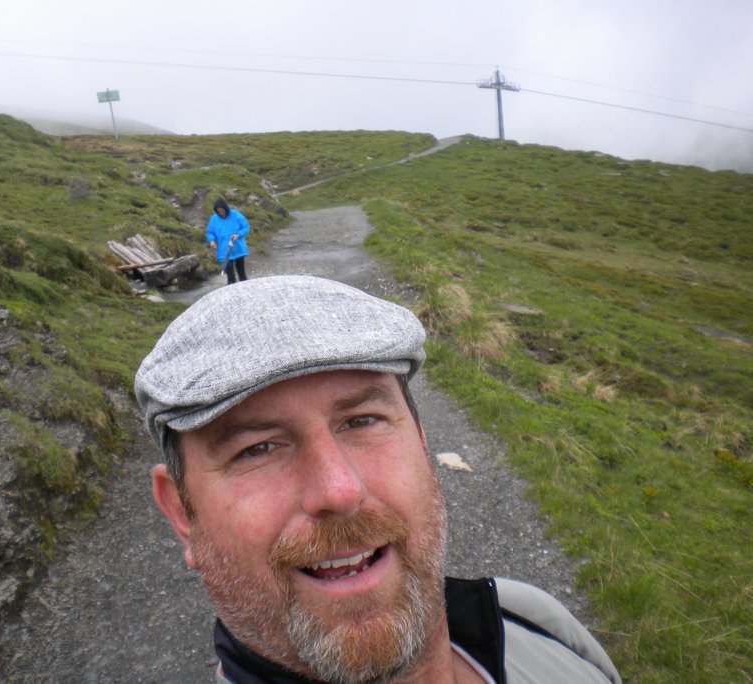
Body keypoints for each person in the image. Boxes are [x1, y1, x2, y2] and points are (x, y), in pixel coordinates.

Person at [135, 275, 622, 684]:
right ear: (182, 513)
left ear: (422, 444)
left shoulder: (533, 621)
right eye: (257, 449)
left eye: (362, 421)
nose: (339, 491)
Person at [207, 197, 250, 285]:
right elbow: (210, 232)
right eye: (218, 211)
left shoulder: (236, 215)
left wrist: (239, 235)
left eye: (222, 211)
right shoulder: (214, 219)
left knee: (242, 274)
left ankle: (246, 291)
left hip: (238, 248)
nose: (221, 213)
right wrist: (212, 241)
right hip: (224, 251)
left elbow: (246, 227)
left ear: (226, 208)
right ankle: (232, 292)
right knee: (230, 278)